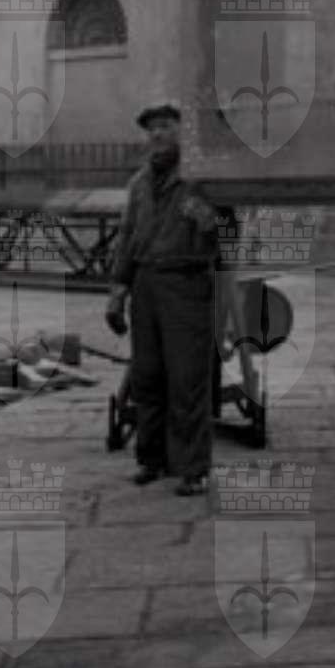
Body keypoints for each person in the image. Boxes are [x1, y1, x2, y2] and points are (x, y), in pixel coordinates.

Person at [104, 105, 221, 495]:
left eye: (166, 126)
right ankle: (152, 460)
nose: (157, 134)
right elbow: (127, 238)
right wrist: (117, 293)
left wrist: (207, 218)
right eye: (152, 128)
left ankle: (193, 470)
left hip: (186, 284)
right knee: (147, 377)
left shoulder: (202, 178)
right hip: (145, 285)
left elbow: (230, 231)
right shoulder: (139, 183)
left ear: (183, 131)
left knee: (187, 379)